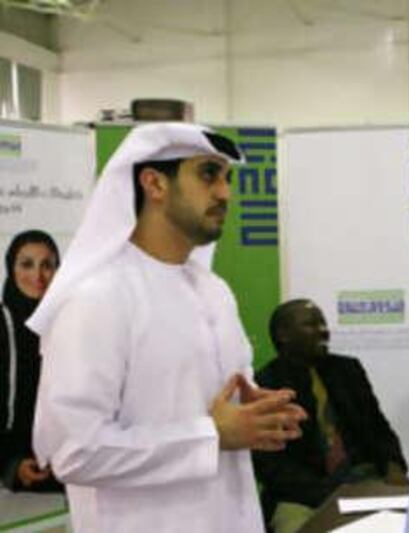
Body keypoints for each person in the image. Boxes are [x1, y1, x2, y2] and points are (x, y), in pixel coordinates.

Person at [29, 123, 307, 532]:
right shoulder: (97, 298)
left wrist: (256, 415)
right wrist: (210, 435)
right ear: (154, 183)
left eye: (227, 178)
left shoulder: (215, 292)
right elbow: (74, 451)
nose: (225, 193)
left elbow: (215, 413)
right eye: (208, 174)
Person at [253, 299, 409, 533]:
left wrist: (393, 467)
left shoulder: (348, 370)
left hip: (363, 483)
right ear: (284, 335)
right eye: (311, 325)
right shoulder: (265, 384)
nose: (323, 331)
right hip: (300, 498)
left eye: (323, 324)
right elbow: (271, 468)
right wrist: (330, 495)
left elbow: (378, 428)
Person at [0, 230, 61, 492]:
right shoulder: (2, 325)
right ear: (11, 269)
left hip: (67, 468)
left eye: (47, 265)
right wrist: (10, 466)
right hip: (14, 475)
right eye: (26, 264)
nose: (38, 276)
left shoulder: (68, 323)